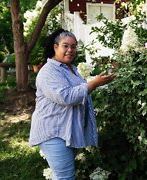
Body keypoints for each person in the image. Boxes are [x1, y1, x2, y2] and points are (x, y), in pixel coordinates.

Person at [29, 28, 115, 179]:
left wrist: (98, 82)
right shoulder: (48, 72)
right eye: (65, 46)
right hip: (53, 133)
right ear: (55, 47)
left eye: (74, 46)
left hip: (68, 131)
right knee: (65, 177)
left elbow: (80, 92)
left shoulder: (71, 69)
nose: (70, 50)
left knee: (62, 177)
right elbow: (66, 97)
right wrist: (93, 84)